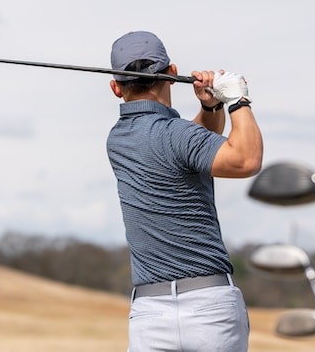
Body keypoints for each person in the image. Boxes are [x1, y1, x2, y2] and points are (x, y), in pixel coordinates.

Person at [106, 31, 264, 352]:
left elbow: (189, 150)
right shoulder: (177, 135)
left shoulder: (118, 139)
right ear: (172, 73)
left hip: (149, 313)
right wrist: (237, 100)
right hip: (210, 309)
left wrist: (210, 109)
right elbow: (245, 160)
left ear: (115, 87)